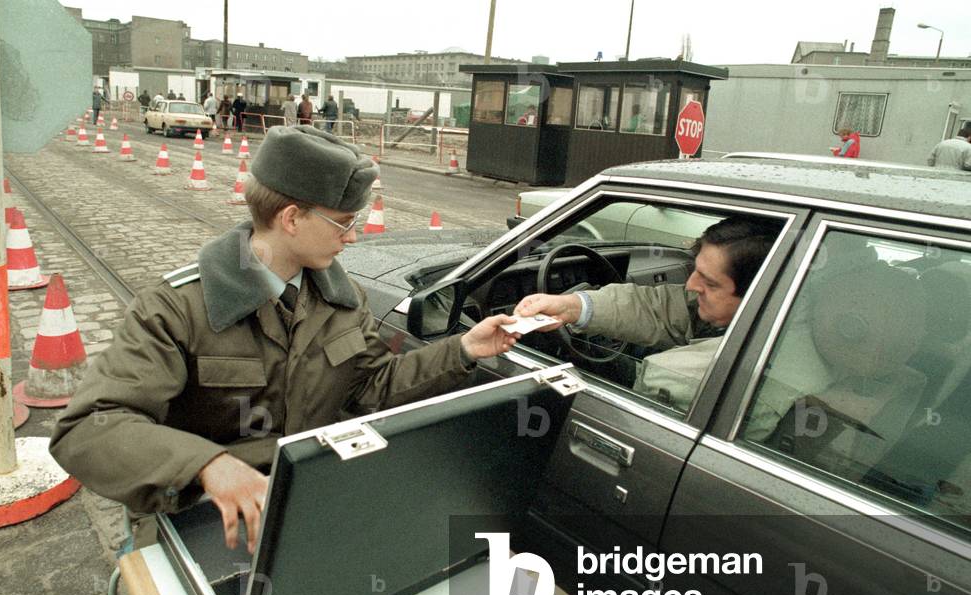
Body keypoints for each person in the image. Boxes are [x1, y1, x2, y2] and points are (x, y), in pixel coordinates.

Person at [50, 125, 521, 553]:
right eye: (344, 223)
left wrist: (463, 349)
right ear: (292, 219)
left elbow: (372, 386)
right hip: (197, 516)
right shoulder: (177, 308)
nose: (353, 239)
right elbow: (89, 428)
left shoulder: (343, 299)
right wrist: (206, 465)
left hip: (301, 503)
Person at [516, 217, 780, 414]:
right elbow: (659, 308)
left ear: (758, 296)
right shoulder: (753, 315)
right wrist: (571, 306)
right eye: (695, 270)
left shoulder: (685, 377)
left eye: (710, 284)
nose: (690, 285)